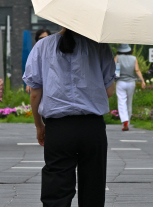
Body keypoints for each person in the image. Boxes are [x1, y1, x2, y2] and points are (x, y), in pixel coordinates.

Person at [24, 28, 116, 207]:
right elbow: (109, 91)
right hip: (92, 127)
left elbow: (35, 93)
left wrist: (39, 125)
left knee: (56, 187)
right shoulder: (99, 45)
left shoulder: (43, 46)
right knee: (93, 186)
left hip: (59, 128)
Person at [114, 43, 146, 131]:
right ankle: (128, 121)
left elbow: (115, 70)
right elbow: (137, 70)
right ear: (129, 50)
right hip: (131, 83)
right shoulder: (134, 58)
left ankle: (125, 120)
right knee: (129, 102)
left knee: (121, 102)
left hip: (120, 82)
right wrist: (142, 80)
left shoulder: (117, 57)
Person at [26, 28, 52, 94]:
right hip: (39, 86)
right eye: (41, 38)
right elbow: (31, 70)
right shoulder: (34, 54)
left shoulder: (54, 53)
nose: (43, 40)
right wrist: (29, 84)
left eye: (46, 38)